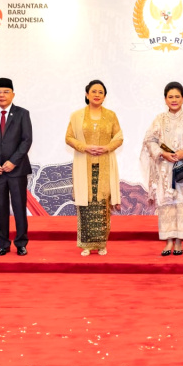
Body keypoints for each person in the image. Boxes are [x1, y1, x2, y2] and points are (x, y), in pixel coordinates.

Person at [140, 82, 183, 255]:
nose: (174, 100)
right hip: (165, 168)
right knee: (166, 203)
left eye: (177, 96)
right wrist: (162, 153)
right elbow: (149, 140)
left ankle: (179, 241)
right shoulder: (159, 119)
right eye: (170, 97)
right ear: (165, 99)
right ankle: (168, 241)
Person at [65, 80, 123, 256]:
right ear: (87, 94)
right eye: (94, 91)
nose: (97, 94)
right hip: (84, 163)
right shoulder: (76, 116)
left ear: (104, 96)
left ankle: (102, 243)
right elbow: (69, 137)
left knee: (102, 203)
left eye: (101, 92)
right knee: (86, 203)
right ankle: (86, 245)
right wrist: (85, 147)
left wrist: (107, 148)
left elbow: (119, 137)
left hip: (105, 164)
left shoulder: (111, 116)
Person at [0, 77, 33, 257]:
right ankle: (3, 243)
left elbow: (26, 140)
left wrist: (13, 161)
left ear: (13, 94)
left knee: (19, 207)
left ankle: (21, 243)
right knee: (0, 208)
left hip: (16, 170)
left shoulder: (22, 113)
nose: (1, 95)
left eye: (5, 92)